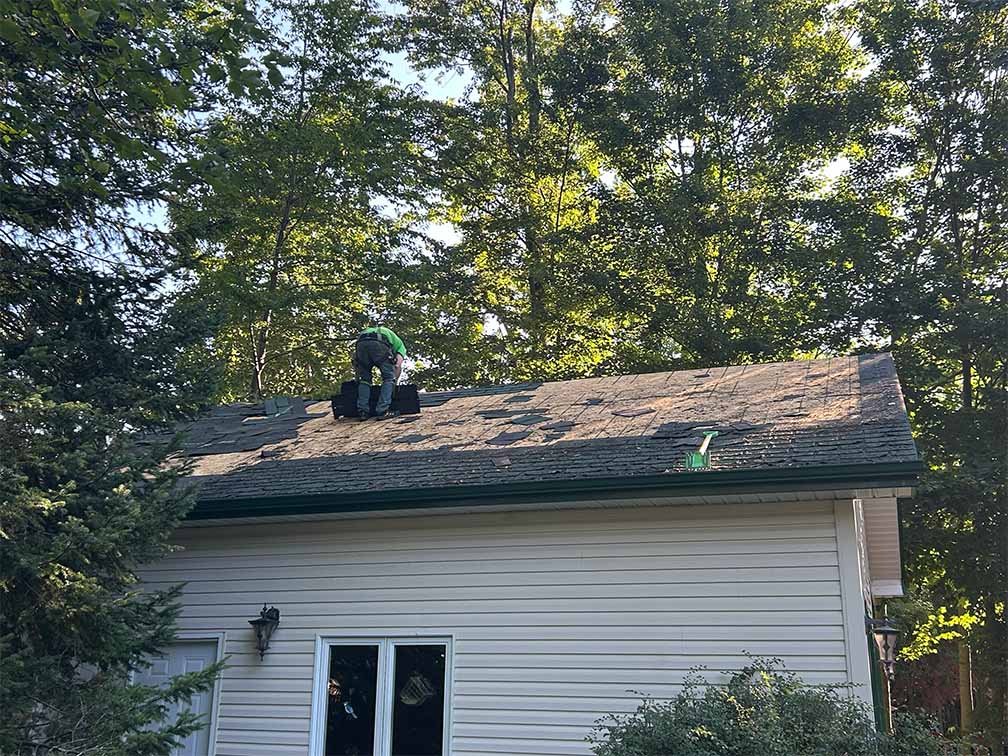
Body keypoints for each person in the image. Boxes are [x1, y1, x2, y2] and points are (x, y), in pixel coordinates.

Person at [351, 326, 406, 420]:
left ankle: (363, 412)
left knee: (365, 380)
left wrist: (358, 376)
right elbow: (397, 366)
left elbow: (356, 365)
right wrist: (393, 382)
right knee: (388, 377)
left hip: (360, 343)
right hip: (379, 343)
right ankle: (383, 410)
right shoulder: (401, 346)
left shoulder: (368, 331)